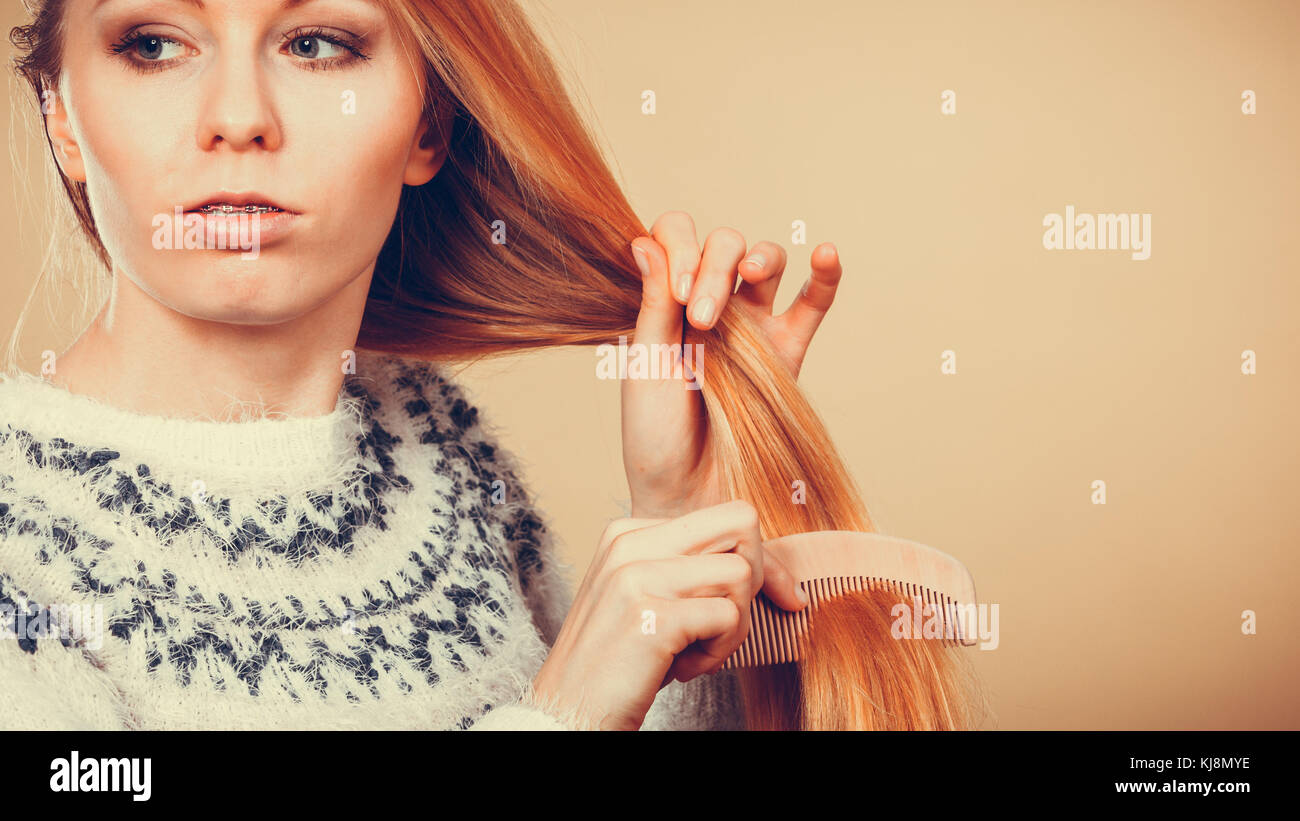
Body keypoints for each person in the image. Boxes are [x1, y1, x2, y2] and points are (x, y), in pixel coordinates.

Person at [1, 0, 850, 730]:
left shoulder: (435, 443)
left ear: (429, 127)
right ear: (62, 118)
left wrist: (681, 533)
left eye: (316, 43)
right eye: (153, 44)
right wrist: (564, 714)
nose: (237, 117)